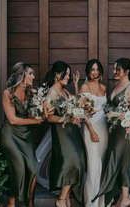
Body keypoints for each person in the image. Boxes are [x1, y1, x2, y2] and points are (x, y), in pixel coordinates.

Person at [94, 58, 130, 207]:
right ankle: (124, 197)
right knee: (118, 160)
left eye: (117, 69)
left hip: (125, 131)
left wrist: (118, 116)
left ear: (126, 72)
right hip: (114, 131)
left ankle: (124, 198)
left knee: (121, 160)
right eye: (114, 69)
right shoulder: (116, 85)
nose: (114, 72)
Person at [44, 61, 86, 207]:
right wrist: (66, 118)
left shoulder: (65, 91)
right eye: (66, 74)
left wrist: (75, 85)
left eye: (69, 74)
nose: (68, 77)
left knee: (79, 161)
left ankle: (66, 199)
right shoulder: (52, 92)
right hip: (62, 133)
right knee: (72, 162)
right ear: (57, 74)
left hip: (72, 132)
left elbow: (75, 104)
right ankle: (61, 199)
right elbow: (49, 117)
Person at [1, 62, 42, 207]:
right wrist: (35, 121)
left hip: (26, 136)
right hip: (11, 136)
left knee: (33, 168)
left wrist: (45, 110)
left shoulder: (32, 93)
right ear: (22, 75)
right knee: (19, 168)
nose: (33, 76)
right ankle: (12, 203)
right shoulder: (8, 93)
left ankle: (30, 202)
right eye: (30, 73)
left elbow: (40, 111)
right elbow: (12, 119)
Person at [79, 59, 108, 207]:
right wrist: (91, 130)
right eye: (92, 69)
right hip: (91, 128)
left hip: (104, 128)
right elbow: (83, 112)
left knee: (101, 164)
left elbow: (105, 110)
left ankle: (101, 201)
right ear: (88, 72)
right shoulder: (84, 86)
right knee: (93, 164)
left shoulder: (103, 87)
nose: (95, 72)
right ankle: (91, 203)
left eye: (97, 69)